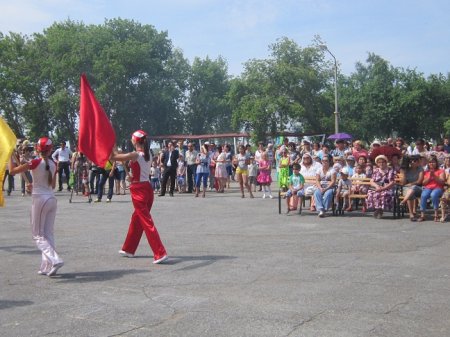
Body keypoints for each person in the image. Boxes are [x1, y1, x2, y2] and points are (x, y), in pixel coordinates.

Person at [110, 130, 168, 264]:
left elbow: (114, 158)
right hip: (146, 188)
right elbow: (139, 172)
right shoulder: (148, 154)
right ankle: (129, 248)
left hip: (139, 191)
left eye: (132, 139)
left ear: (135, 141)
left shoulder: (135, 154)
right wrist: (131, 176)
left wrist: (110, 149)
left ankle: (160, 253)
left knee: (147, 223)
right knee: (136, 219)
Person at [9, 137, 64, 276]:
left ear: (37, 148)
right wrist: (34, 184)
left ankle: (55, 259)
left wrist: (10, 155)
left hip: (40, 199)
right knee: (48, 234)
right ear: (51, 149)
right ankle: (46, 266)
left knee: (38, 235)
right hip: (51, 198)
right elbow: (52, 185)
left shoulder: (35, 162)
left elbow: (12, 171)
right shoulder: (53, 163)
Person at [417, 156, 445, 222]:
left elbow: (442, 182)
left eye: (433, 162)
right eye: (430, 162)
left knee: (434, 195)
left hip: (438, 188)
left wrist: (435, 176)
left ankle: (436, 214)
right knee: (423, 195)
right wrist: (429, 177)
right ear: (428, 164)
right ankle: (422, 215)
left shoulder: (441, 171)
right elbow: (423, 183)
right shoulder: (426, 172)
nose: (431, 164)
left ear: (436, 163)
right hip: (428, 188)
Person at [399, 155, 424, 221]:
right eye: (411, 161)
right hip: (407, 188)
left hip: (418, 188)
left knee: (414, 187)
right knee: (409, 192)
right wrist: (404, 174)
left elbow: (419, 181)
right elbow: (403, 183)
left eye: (415, 161)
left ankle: (404, 201)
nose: (412, 162)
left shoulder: (420, 169)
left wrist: (411, 184)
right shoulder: (406, 169)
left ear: (418, 162)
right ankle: (411, 214)